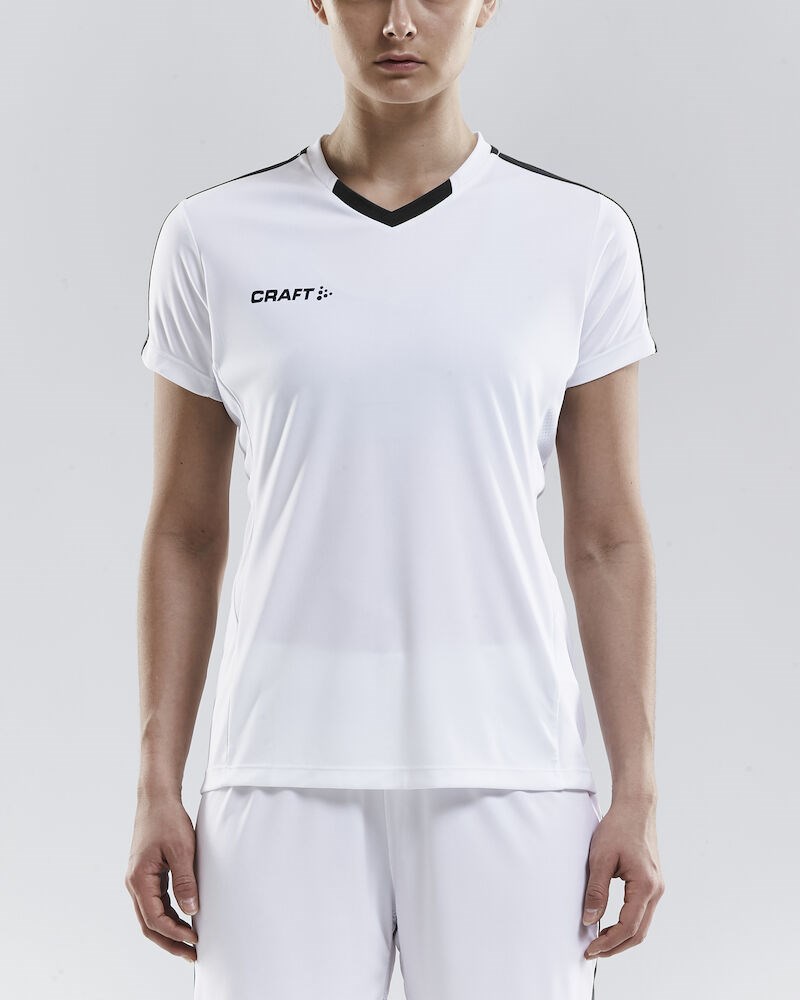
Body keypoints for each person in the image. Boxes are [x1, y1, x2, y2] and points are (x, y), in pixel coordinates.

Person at [124, 1, 665, 997]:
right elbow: (185, 534)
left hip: (510, 763)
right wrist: (157, 780)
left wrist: (635, 789)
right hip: (278, 766)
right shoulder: (213, 237)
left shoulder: (578, 236)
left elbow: (606, 538)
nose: (400, 22)